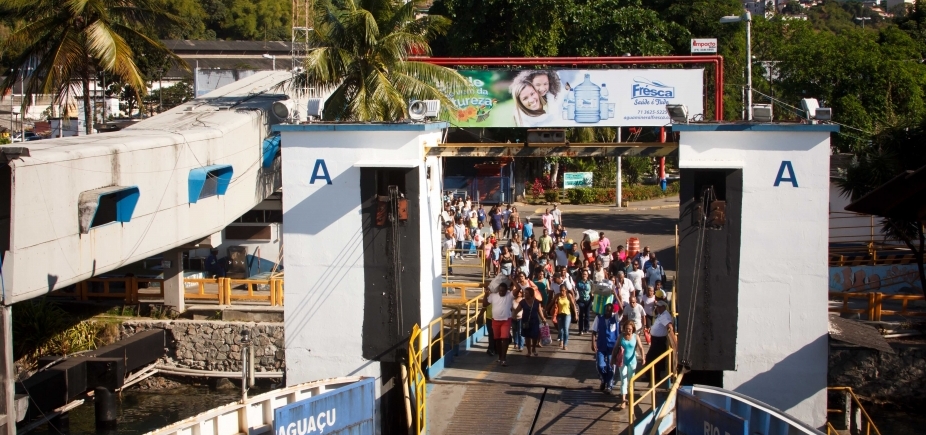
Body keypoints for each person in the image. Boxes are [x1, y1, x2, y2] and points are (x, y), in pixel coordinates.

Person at [590, 303, 620, 394]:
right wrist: (593, 342)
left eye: (610, 310)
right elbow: (594, 331)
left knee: (611, 366)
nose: (608, 312)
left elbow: (622, 309)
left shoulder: (615, 318)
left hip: (612, 346)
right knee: (600, 365)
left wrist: (616, 294)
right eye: (607, 310)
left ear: (612, 310)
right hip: (601, 345)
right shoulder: (599, 318)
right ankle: (603, 379)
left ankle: (609, 384)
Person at [615, 319, 645, 408]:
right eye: (627, 329)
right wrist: (613, 359)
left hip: (632, 361)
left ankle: (630, 397)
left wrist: (643, 358)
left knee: (631, 380)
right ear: (624, 328)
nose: (628, 331)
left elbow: (641, 347)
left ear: (633, 329)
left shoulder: (636, 337)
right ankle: (623, 400)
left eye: (630, 329)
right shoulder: (621, 336)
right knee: (623, 381)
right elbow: (616, 347)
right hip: (622, 361)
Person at [513, 283, 548, 357]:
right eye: (525, 293)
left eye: (526, 293)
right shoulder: (522, 302)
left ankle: (534, 348)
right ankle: (529, 351)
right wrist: (514, 315)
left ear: (531, 294)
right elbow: (517, 310)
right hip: (525, 321)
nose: (525, 294)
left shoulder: (536, 302)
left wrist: (543, 319)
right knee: (527, 336)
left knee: (535, 336)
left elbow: (540, 312)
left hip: (535, 321)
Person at [484, 283, 515, 366]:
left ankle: (504, 358)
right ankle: (500, 357)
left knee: (505, 339)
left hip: (506, 320)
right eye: (500, 290)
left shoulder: (509, 295)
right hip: (495, 320)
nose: (501, 292)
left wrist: (511, 279)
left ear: (506, 291)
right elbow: (484, 304)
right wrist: (485, 294)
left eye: (503, 291)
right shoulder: (493, 296)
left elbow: (518, 288)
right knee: (497, 340)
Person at [645, 300, 675, 381]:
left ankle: (651, 377)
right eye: (657, 306)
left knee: (650, 358)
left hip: (659, 341)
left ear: (663, 307)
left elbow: (669, 325)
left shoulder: (665, 315)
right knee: (654, 359)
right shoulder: (661, 314)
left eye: (659, 307)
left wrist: (674, 340)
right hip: (656, 340)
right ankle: (653, 376)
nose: (657, 308)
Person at [551, 285, 577, 350]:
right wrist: (546, 310)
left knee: (565, 329)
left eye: (563, 290)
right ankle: (561, 340)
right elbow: (551, 302)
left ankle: (565, 344)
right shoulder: (557, 296)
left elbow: (573, 305)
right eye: (560, 290)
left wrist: (576, 314)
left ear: (566, 290)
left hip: (567, 314)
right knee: (560, 329)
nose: (561, 292)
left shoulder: (568, 296)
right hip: (559, 314)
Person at [575, 268, 593, 335]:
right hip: (581, 300)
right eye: (583, 274)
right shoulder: (578, 282)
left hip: (588, 300)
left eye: (585, 274)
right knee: (581, 315)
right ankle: (580, 330)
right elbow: (575, 290)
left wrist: (592, 295)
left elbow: (592, 290)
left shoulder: (590, 282)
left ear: (588, 275)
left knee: (587, 315)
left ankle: (586, 328)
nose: (584, 275)